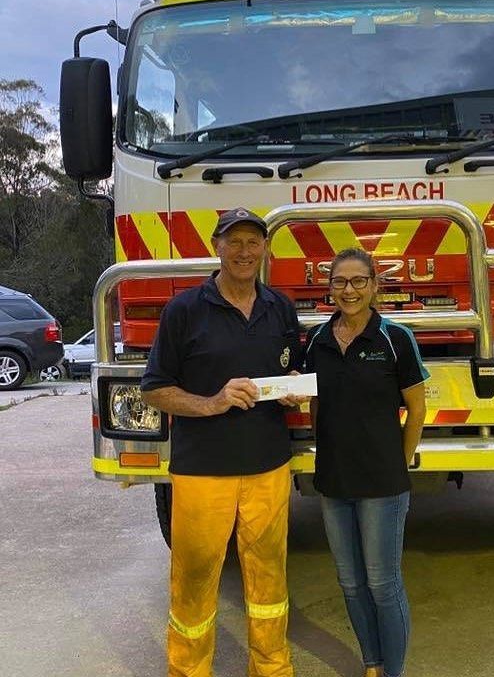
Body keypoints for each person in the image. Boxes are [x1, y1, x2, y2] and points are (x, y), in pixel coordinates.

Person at [141, 207, 303, 677]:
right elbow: (154, 388)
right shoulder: (184, 310)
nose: (245, 252)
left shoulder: (280, 307)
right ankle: (188, 671)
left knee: (270, 578)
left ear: (266, 249)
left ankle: (272, 668)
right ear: (217, 247)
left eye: (254, 242)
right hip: (202, 471)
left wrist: (290, 388)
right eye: (234, 242)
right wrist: (213, 402)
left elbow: (285, 369)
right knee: (193, 580)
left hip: (268, 466)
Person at [304, 248, 428, 677]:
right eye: (340, 282)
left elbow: (417, 407)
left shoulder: (395, 339)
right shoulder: (318, 342)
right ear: (329, 288)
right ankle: (372, 664)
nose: (349, 290)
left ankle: (393, 672)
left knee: (382, 583)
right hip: (334, 481)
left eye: (359, 281)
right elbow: (316, 403)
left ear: (375, 286)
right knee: (351, 584)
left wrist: (401, 458)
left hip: (383, 483)